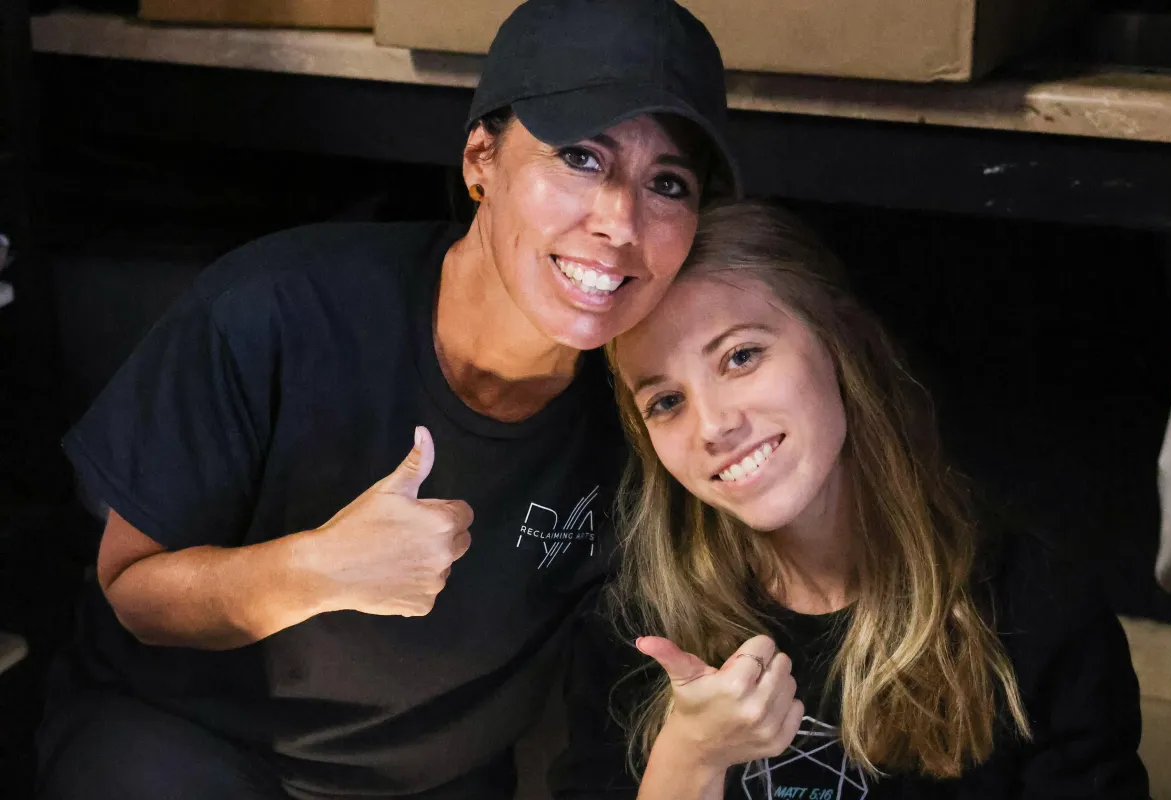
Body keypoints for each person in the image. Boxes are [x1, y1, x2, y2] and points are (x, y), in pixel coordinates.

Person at [35, 2, 740, 798]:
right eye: (579, 157)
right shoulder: (276, 309)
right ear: (482, 158)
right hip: (182, 743)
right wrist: (318, 571)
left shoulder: (654, 411)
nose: (619, 219)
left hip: (429, 781)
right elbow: (134, 595)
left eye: (668, 183)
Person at [550, 201, 1150, 799]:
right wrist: (689, 758)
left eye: (741, 356)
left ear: (838, 345)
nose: (712, 426)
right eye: (666, 401)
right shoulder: (631, 625)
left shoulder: (1037, 610)